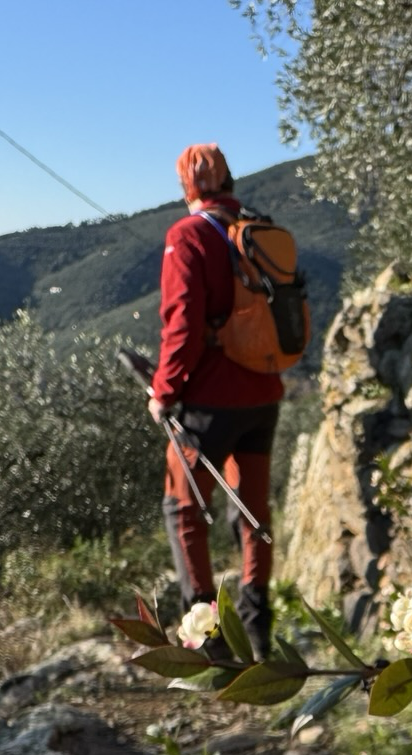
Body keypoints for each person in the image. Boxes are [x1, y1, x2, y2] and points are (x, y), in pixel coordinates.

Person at [150, 143, 281, 661]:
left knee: (183, 510)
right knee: (253, 512)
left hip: (209, 400)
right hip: (264, 393)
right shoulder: (255, 229)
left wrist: (164, 392)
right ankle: (258, 626)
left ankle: (209, 641)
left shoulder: (188, 235)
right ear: (229, 181)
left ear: (187, 187)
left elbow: (182, 323)